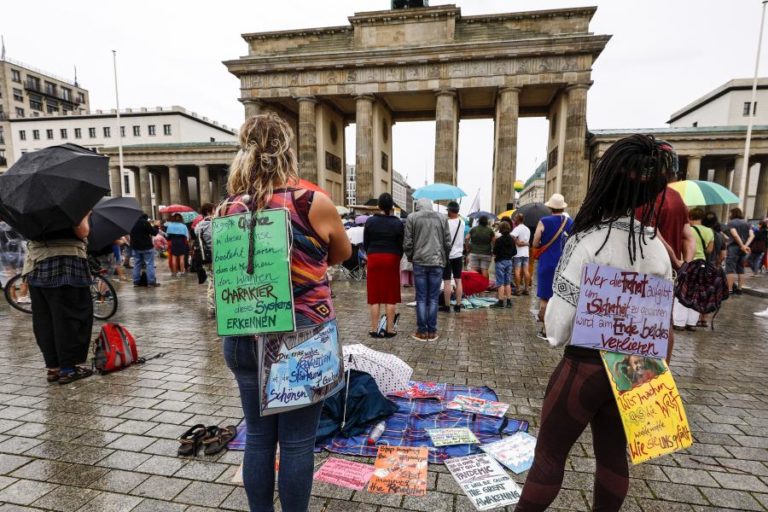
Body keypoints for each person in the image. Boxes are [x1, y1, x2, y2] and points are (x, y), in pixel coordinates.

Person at [515, 134, 676, 512]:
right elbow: (664, 321)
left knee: (550, 456)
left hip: (586, 362)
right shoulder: (655, 247)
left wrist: (553, 323)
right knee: (613, 456)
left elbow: (558, 326)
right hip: (638, 367)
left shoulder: (588, 239)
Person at [220, 113, 350, 512]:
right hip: (302, 337)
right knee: (296, 443)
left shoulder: (228, 209)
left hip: (243, 333)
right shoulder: (311, 202)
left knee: (258, 437)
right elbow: (342, 254)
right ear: (287, 151)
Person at [22, 213, 95, 384]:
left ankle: (53, 367)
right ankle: (68, 369)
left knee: (44, 319)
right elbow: (82, 231)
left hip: (37, 265)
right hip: (66, 263)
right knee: (69, 317)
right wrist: (84, 214)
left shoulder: (28, 205)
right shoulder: (67, 203)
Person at [404, 197, 451, 341]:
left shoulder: (412, 218)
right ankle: (432, 331)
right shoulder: (442, 218)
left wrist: (410, 256)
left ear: (418, 207)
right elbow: (447, 242)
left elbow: (408, 241)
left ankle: (421, 331)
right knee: (433, 298)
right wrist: (444, 257)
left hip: (419, 261)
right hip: (437, 261)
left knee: (421, 297)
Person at [532, 194, 573, 338]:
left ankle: (545, 330)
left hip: (547, 263)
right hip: (564, 264)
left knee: (545, 298)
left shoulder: (544, 221)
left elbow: (535, 242)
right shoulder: (570, 221)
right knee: (560, 297)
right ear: (562, 207)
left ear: (550, 207)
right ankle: (560, 331)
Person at [363, 193, 404, 338]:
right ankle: (390, 329)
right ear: (392, 206)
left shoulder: (370, 222)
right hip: (391, 257)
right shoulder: (398, 223)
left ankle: (374, 329)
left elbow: (366, 242)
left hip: (374, 257)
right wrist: (397, 257)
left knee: (375, 296)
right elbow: (401, 245)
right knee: (390, 296)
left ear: (379, 205)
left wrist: (371, 254)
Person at [441, 201, 465, 313]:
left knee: (446, 281)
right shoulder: (462, 222)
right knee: (458, 280)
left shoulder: (446, 223)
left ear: (450, 211)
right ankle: (458, 305)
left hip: (447, 255)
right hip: (458, 255)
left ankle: (446, 306)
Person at [725, 207, 754, 294]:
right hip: (743, 250)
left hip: (733, 247)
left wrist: (742, 245)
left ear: (733, 214)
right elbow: (752, 235)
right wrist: (745, 246)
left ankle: (729, 290)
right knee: (741, 269)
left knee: (730, 269)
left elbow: (735, 235)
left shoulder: (731, 223)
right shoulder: (747, 223)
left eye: (730, 213)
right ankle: (739, 289)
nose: (729, 215)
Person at [194, 203, 216, 313]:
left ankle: (211, 305)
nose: (215, 211)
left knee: (211, 280)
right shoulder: (213, 224)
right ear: (209, 211)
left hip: (204, 257)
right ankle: (212, 307)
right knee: (214, 281)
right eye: (214, 209)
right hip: (214, 256)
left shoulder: (199, 225)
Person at [129, 214, 160, 287]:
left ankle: (136, 282)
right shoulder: (145, 223)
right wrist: (156, 226)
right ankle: (151, 282)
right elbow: (154, 233)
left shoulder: (131, 223)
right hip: (147, 247)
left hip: (136, 247)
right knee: (149, 264)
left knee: (137, 264)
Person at [490, 221, 515, 308]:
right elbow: (514, 252)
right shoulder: (512, 239)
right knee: (507, 282)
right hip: (509, 261)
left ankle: (500, 301)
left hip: (500, 261)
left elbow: (495, 252)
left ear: (500, 229)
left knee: (500, 282)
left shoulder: (499, 240)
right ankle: (508, 301)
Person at [511, 213, 531, 295]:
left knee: (517, 271)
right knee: (526, 271)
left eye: (515, 219)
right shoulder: (527, 229)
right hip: (526, 253)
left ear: (518, 220)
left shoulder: (517, 228)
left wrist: (518, 242)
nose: (514, 220)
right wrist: (525, 244)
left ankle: (518, 289)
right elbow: (527, 242)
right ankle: (526, 289)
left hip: (518, 253)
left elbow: (512, 237)